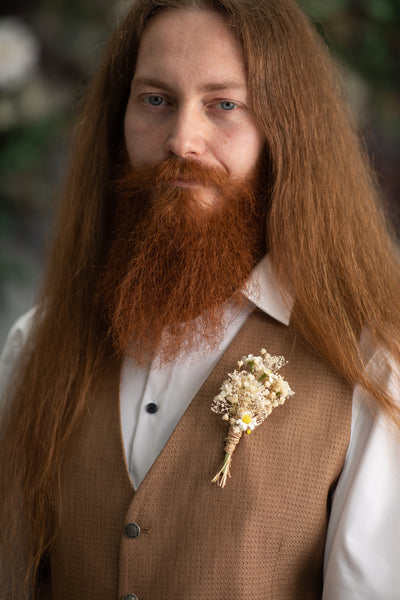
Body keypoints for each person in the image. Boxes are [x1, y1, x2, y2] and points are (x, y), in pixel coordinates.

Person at [1, 0, 400, 598]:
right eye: (155, 99)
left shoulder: (367, 366)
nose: (182, 140)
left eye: (224, 104)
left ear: (285, 131)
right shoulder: (36, 343)